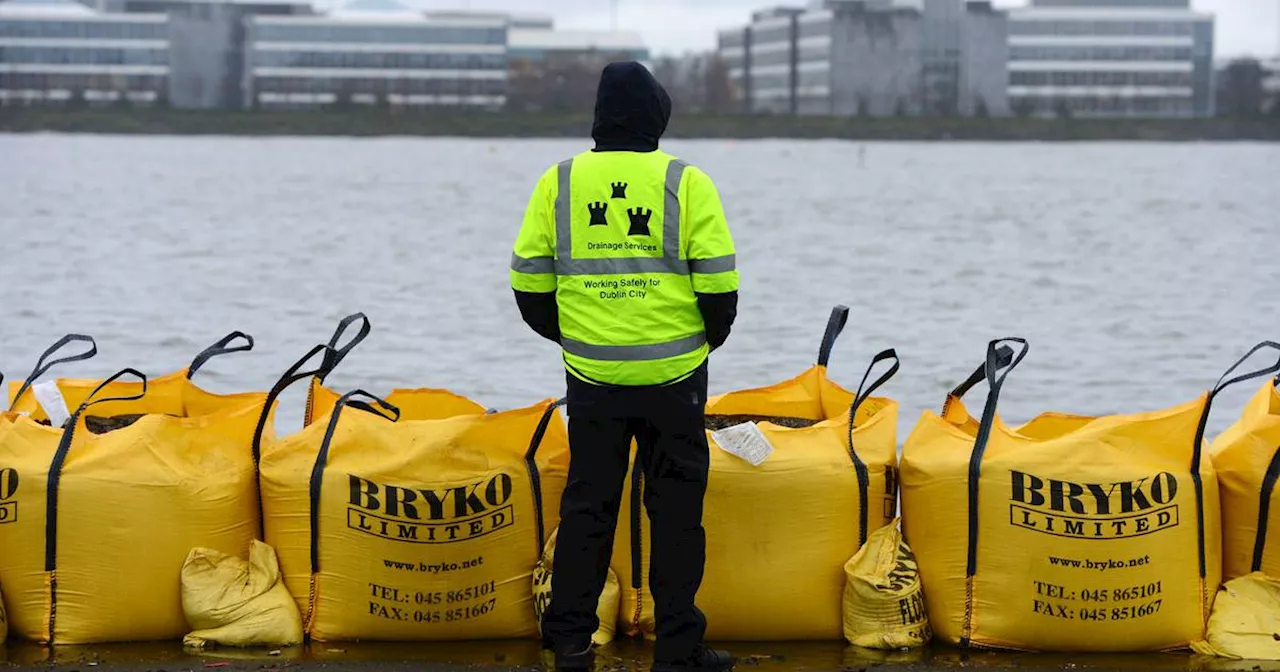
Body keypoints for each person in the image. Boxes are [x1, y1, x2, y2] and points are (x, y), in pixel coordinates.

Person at [508, 61, 739, 672]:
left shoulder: (558, 180)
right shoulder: (686, 182)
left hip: (593, 380)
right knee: (677, 515)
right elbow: (719, 289)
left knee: (588, 508)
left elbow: (528, 286)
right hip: (676, 380)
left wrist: (575, 338)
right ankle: (679, 650)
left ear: (598, 116)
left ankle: (571, 643)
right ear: (657, 115)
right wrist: (699, 346)